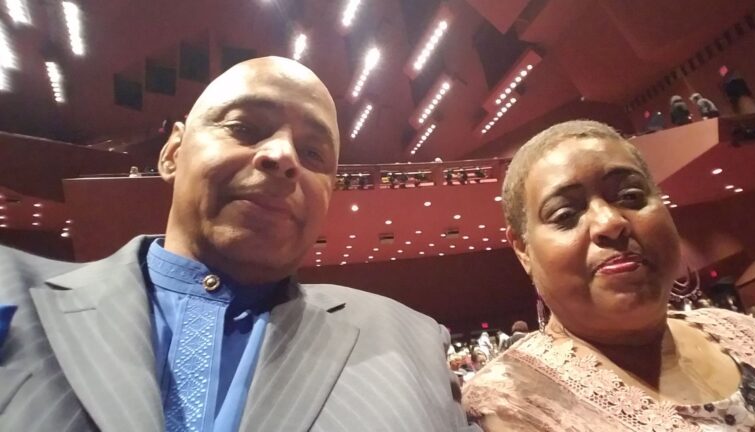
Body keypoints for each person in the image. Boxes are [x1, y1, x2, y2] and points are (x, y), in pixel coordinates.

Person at [0, 57, 478, 432]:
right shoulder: (12, 291)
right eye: (244, 128)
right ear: (172, 153)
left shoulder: (408, 341)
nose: (283, 156)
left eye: (313, 152)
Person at [462, 120, 755, 431]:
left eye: (630, 196)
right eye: (565, 214)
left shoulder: (746, 332)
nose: (610, 223)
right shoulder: (515, 401)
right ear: (523, 250)